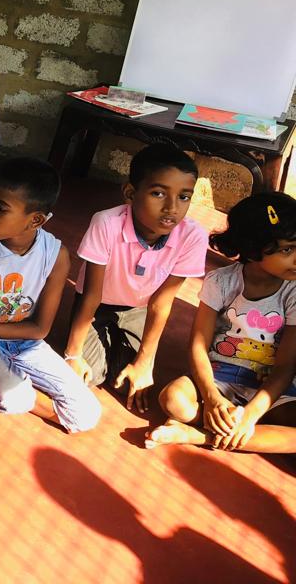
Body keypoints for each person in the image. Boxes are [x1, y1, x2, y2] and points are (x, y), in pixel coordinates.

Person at [0, 158, 101, 433]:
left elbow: (39, 329)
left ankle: (7, 386)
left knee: (87, 415)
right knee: (14, 397)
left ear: (36, 220)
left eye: (1, 208)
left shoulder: (54, 256)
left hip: (22, 343)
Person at [64, 145, 209, 412]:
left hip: (140, 308)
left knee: (127, 381)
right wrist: (72, 354)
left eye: (184, 197)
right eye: (158, 194)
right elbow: (92, 294)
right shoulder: (106, 223)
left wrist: (145, 362)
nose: (172, 208)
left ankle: (116, 349)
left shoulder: (193, 236)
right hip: (97, 304)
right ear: (130, 193)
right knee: (86, 375)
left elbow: (161, 303)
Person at [147, 192, 296, 452]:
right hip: (220, 375)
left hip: (270, 387)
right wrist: (211, 397)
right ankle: (233, 427)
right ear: (254, 248)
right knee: (173, 401)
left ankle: (199, 436)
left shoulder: (293, 292)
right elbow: (198, 345)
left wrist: (250, 415)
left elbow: (285, 366)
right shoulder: (221, 281)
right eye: (287, 250)